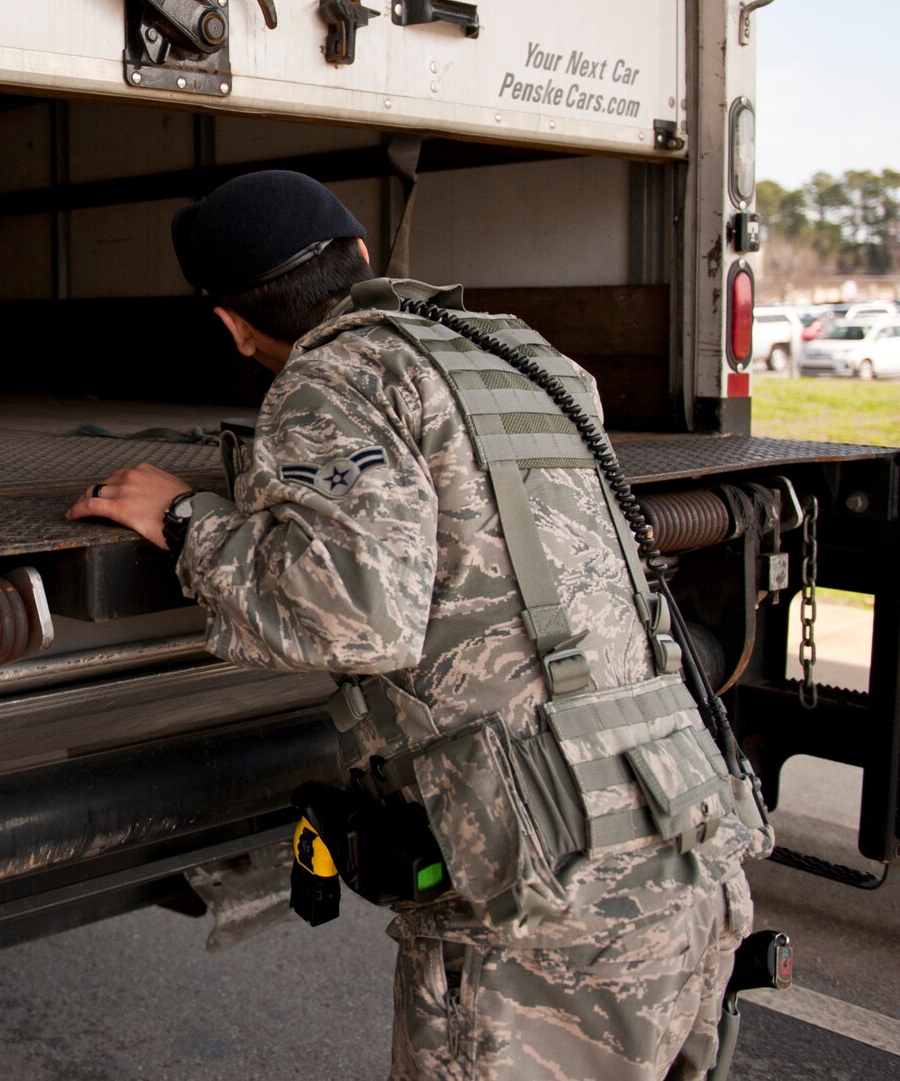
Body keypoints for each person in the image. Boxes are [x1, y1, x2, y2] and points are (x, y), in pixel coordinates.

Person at [68, 171, 759, 1080]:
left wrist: (187, 519)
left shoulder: (332, 380)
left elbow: (353, 619)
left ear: (232, 326)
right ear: (362, 258)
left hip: (545, 901)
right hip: (684, 829)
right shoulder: (526, 357)